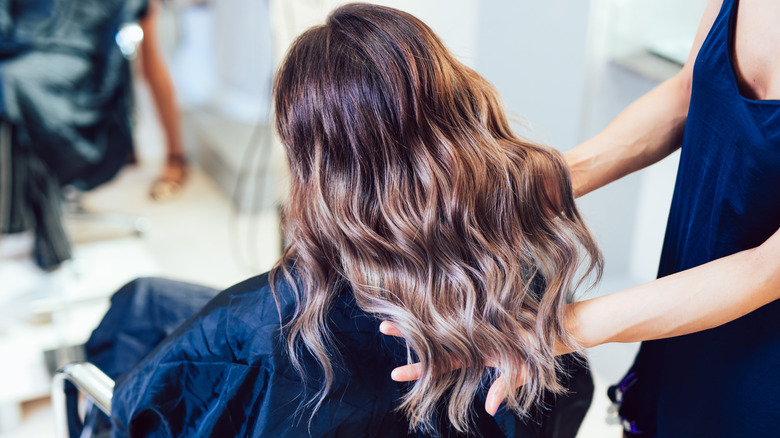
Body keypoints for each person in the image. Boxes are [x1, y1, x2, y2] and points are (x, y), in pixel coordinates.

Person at [109, 4, 603, 437]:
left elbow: (143, 414)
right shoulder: (528, 283)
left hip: (260, 341)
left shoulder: (253, 336)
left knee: (137, 306)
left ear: (313, 165)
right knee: (149, 302)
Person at [386, 0, 780, 435]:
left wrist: (553, 330)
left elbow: (765, 271)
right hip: (689, 311)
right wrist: (534, 189)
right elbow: (689, 93)